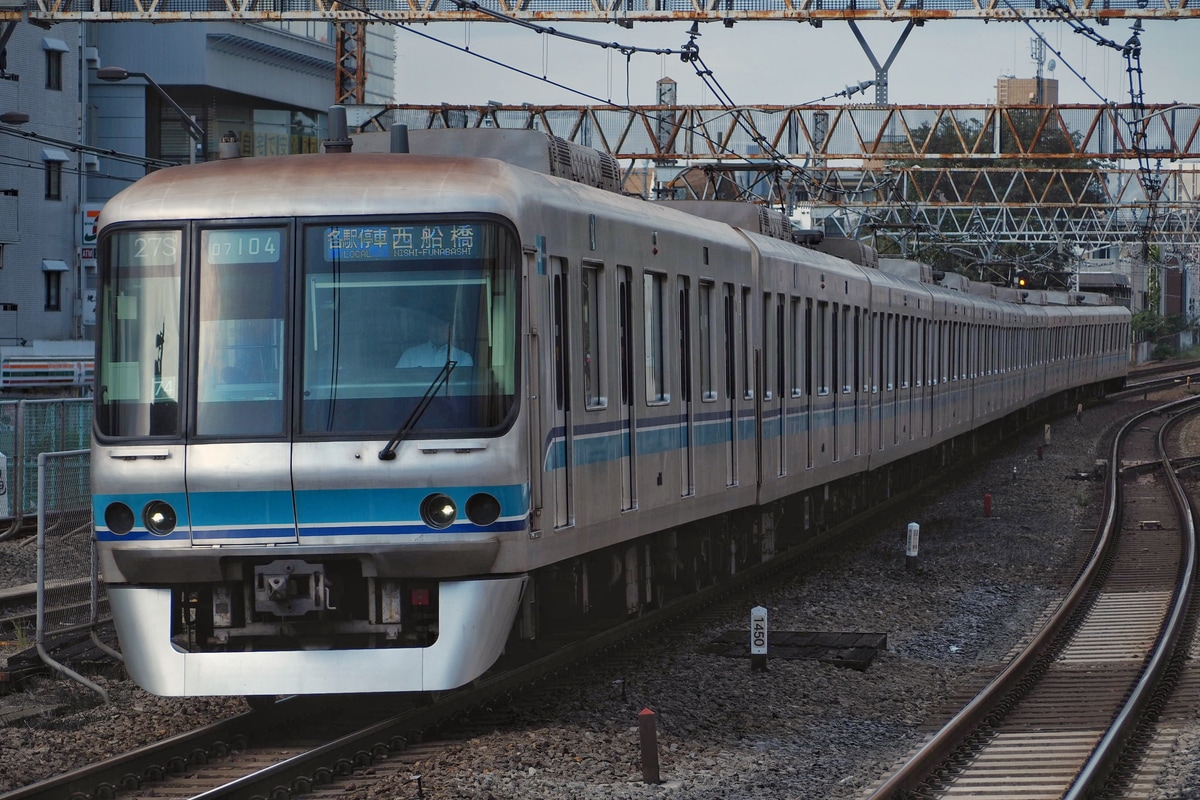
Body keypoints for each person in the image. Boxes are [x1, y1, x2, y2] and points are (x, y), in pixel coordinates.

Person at [396, 317, 474, 368]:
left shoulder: (463, 359)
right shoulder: (410, 355)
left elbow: (463, 390)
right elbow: (398, 385)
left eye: (442, 325)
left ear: (452, 329)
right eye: (434, 324)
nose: (438, 330)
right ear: (427, 327)